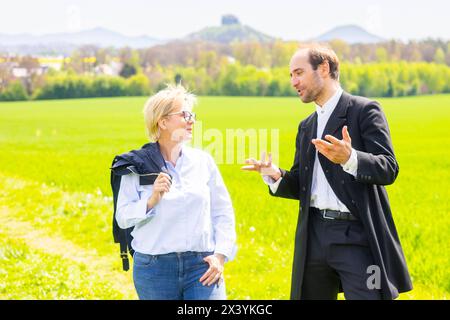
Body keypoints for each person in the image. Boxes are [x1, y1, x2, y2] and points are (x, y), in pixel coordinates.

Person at [242, 45, 412, 300]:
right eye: (290, 75)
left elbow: (388, 168)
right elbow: (302, 183)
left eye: (298, 73)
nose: (293, 82)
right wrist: (276, 175)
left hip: (358, 237)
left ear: (323, 68)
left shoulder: (364, 111)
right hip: (314, 237)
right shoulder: (306, 126)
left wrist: (350, 158)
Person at [116, 84, 236, 300]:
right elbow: (123, 217)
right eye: (185, 114)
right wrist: (151, 200)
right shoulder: (137, 166)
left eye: (192, 115)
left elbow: (223, 212)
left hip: (202, 266)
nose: (192, 120)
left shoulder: (203, 162)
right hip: (154, 269)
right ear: (162, 121)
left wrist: (220, 255)